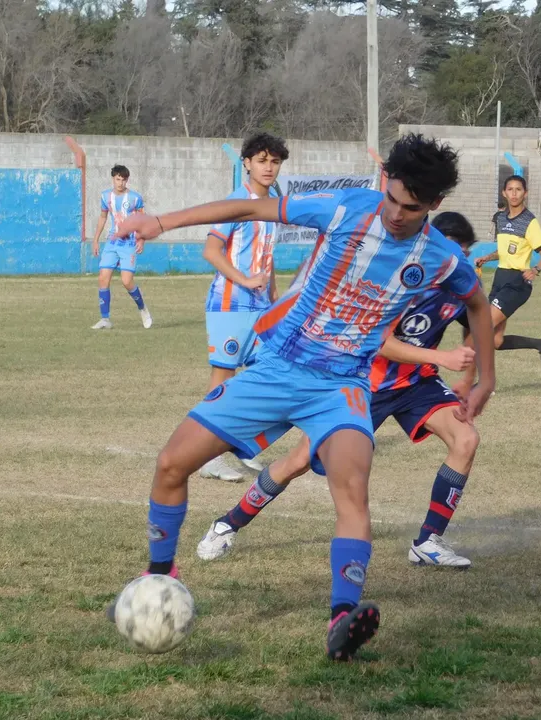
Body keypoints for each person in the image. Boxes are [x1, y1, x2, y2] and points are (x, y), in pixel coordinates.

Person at [110, 134, 496, 661]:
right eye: (393, 200)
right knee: (171, 463)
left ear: (434, 205)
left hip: (343, 388)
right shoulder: (345, 208)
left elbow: (476, 303)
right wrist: (159, 223)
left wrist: (483, 379)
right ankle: (157, 577)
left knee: (353, 490)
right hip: (276, 370)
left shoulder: (441, 257)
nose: (398, 215)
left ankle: (343, 620)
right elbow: (249, 205)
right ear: (385, 182)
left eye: (413, 208)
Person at [196, 211, 488, 569]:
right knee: (298, 461)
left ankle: (428, 541)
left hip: (416, 381)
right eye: (455, 252)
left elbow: (480, 319)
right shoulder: (402, 282)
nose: (460, 262)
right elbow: (380, 341)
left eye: (465, 253)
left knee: (466, 440)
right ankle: (228, 523)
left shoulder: (462, 284)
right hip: (364, 383)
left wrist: (470, 375)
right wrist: (442, 356)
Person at [199, 133, 289, 482]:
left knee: (272, 374)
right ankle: (208, 455)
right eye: (262, 160)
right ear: (247, 163)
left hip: (261, 306)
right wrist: (244, 279)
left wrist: (275, 297)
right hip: (230, 303)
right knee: (223, 376)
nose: (269, 167)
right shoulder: (236, 201)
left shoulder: (274, 202)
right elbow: (211, 250)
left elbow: (268, 257)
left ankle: (240, 442)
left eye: (275, 161)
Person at [474, 175, 541, 371]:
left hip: (516, 282)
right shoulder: (501, 218)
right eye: (510, 189)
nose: (513, 193)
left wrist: (535, 269)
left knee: (482, 328)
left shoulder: (530, 221)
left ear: (525, 193)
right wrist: (487, 257)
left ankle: (485, 384)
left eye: (518, 189)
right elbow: (505, 250)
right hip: (500, 278)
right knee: (495, 341)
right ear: (504, 193)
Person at [90, 165, 152, 330]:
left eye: (123, 179)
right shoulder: (105, 196)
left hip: (129, 243)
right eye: (118, 179)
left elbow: (143, 221)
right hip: (112, 242)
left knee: (126, 281)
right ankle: (105, 319)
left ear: (127, 180)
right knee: (103, 278)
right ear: (113, 179)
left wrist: (142, 239)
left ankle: (142, 308)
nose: (120, 182)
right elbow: (103, 217)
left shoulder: (135, 198)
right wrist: (96, 240)